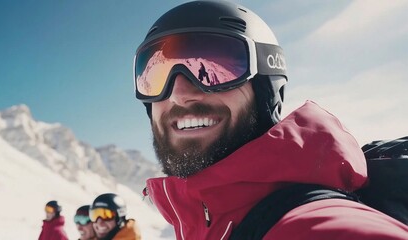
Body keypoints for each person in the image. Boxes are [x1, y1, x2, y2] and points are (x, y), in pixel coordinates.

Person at [133, 1, 408, 239]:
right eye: (154, 75)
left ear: (266, 90)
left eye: (212, 70)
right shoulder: (201, 220)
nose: (180, 95)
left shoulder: (315, 223)